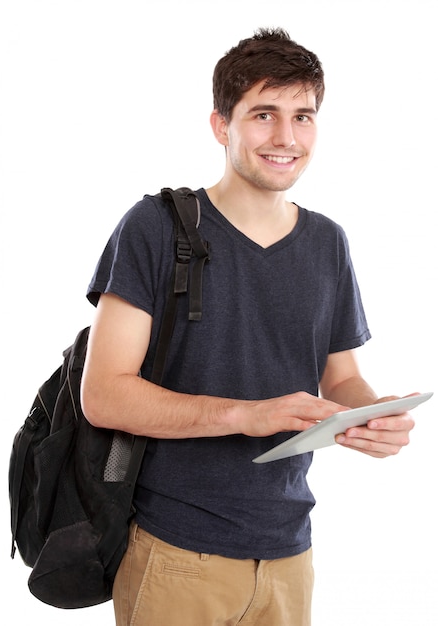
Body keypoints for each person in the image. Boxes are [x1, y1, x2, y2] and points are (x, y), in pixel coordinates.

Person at [81, 27, 415, 626]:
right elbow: (104, 394)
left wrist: (370, 416)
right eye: (264, 114)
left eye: (303, 116)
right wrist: (246, 414)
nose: (287, 138)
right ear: (221, 125)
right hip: (177, 551)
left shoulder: (327, 242)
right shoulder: (154, 227)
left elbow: (340, 378)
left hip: (291, 554)